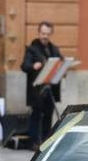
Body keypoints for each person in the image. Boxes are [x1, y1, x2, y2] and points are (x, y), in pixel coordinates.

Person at [21, 20, 62, 150]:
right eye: (43, 33)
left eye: (48, 34)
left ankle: (46, 140)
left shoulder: (53, 49)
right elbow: (24, 66)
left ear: (51, 34)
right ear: (39, 33)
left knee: (48, 115)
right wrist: (33, 66)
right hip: (37, 90)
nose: (45, 36)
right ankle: (33, 142)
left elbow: (60, 61)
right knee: (36, 115)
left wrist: (62, 67)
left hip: (50, 88)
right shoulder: (32, 49)